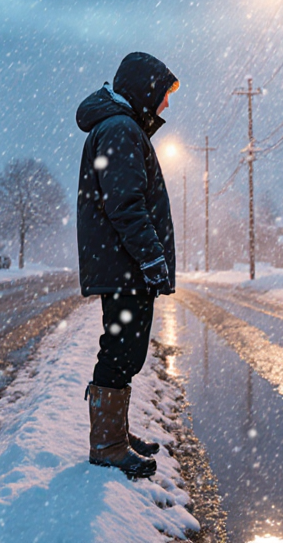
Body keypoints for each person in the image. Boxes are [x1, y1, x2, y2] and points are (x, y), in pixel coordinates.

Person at [75, 52, 179, 479]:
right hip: (125, 268)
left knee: (126, 351)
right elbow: (126, 206)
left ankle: (115, 433)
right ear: (143, 90)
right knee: (120, 352)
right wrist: (152, 257)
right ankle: (107, 445)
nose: (166, 106)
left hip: (121, 266)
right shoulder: (120, 129)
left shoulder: (122, 126)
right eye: (163, 95)